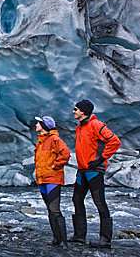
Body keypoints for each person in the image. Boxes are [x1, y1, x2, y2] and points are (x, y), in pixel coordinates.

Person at [69, 99, 121, 248]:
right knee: (76, 200)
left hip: (94, 171)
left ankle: (105, 239)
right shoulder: (80, 127)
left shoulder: (96, 125)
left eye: (76, 109)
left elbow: (115, 141)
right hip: (83, 170)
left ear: (83, 112)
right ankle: (79, 236)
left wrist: (100, 160)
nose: (74, 111)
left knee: (99, 202)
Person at [34, 115, 71, 248]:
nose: (36, 125)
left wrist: (56, 166)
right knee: (50, 210)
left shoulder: (54, 139)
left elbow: (65, 153)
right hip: (43, 180)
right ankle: (56, 239)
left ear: (44, 126)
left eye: (38, 123)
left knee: (55, 210)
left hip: (52, 179)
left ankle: (64, 242)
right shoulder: (40, 142)